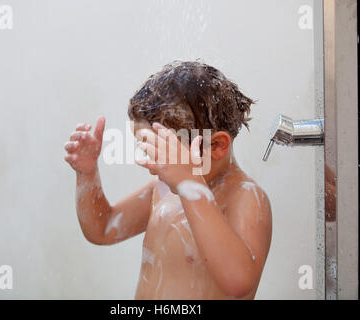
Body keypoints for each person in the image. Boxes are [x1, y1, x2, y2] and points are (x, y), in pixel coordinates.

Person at [64, 61, 272, 299]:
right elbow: (103, 229)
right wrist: (87, 173)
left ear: (216, 145)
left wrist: (191, 184)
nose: (154, 168)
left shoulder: (246, 198)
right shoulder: (164, 190)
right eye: (150, 152)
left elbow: (238, 283)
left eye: (164, 155)